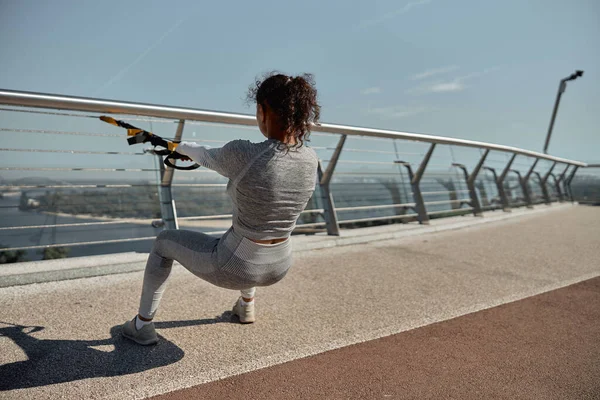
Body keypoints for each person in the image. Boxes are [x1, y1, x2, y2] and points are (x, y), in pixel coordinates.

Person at [122, 72, 320, 345]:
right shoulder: (311, 159)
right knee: (249, 230)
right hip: (280, 265)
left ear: (263, 110)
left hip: (236, 267)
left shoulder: (245, 153)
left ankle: (141, 325)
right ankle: (246, 306)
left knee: (164, 241)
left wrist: (180, 147)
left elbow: (201, 154)